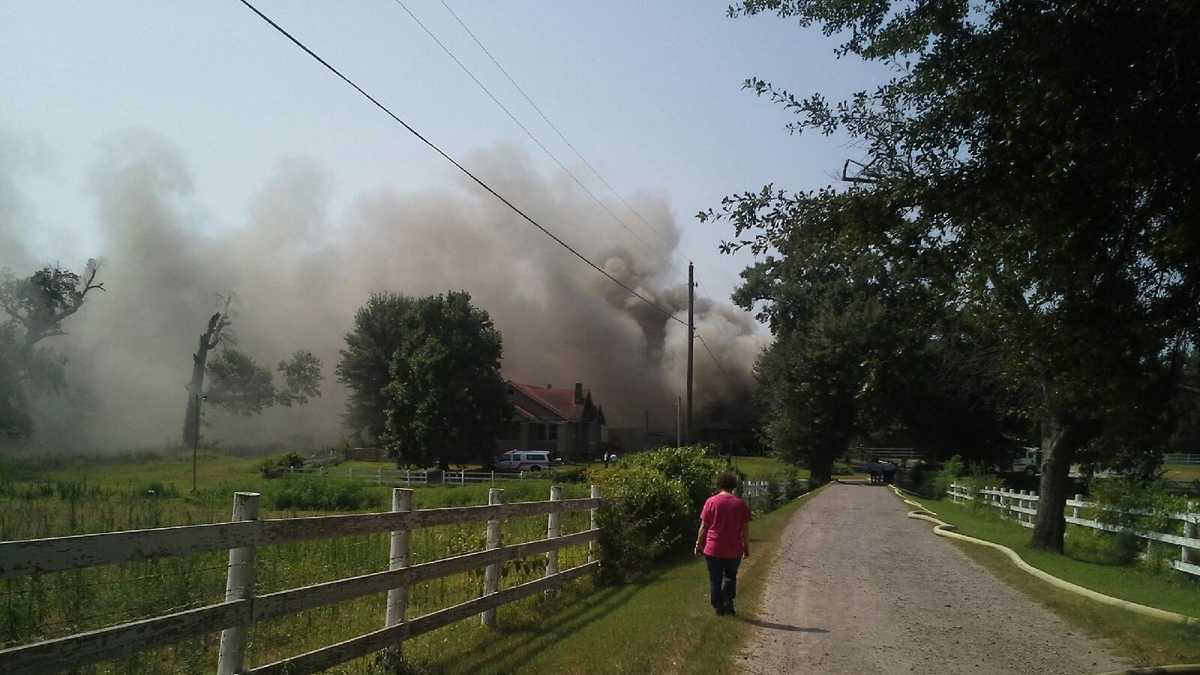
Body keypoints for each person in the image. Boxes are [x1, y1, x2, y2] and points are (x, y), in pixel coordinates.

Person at [694, 471, 751, 616]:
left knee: (715, 579)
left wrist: (698, 545)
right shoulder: (740, 504)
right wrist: (746, 547)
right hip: (733, 548)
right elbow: (745, 530)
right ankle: (728, 602)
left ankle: (717, 605)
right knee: (730, 577)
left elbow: (704, 527)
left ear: (719, 484)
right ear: (733, 486)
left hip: (713, 548)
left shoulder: (711, 502)